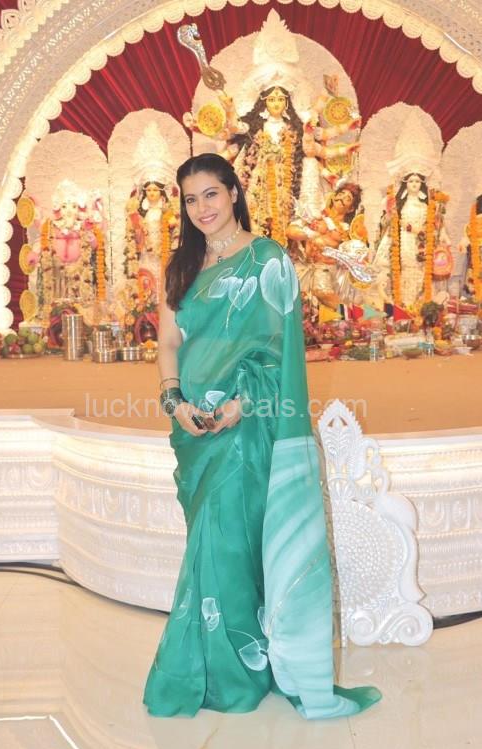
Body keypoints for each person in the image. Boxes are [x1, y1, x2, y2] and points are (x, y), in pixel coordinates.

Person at [143, 153, 380, 718]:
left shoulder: (269, 259)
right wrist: (173, 399)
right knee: (208, 541)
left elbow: (282, 354)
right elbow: (169, 342)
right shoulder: (181, 266)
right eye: (191, 199)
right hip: (192, 427)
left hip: (246, 425)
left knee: (228, 544)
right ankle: (225, 662)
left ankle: (235, 673)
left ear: (233, 192)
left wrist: (241, 405)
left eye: (211, 194)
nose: (202, 208)